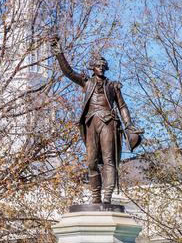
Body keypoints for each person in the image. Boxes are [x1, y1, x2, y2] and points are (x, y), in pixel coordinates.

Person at [52, 37, 143, 205]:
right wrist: (59, 53)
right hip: (91, 122)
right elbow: (68, 72)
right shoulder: (87, 82)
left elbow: (122, 106)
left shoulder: (113, 86)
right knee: (91, 161)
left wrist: (129, 125)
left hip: (109, 122)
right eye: (98, 65)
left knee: (109, 160)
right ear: (92, 68)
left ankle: (107, 196)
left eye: (103, 66)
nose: (101, 68)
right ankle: (95, 196)